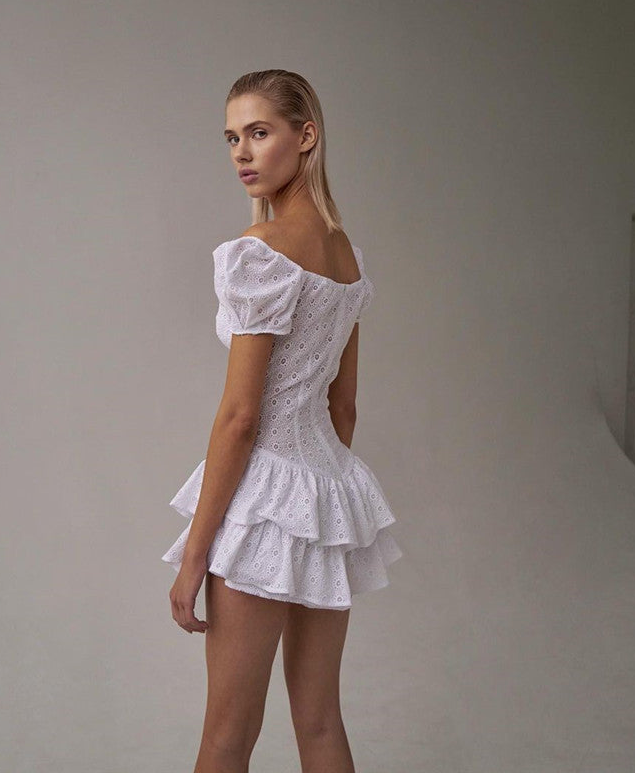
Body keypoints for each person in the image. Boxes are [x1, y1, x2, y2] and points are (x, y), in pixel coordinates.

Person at [160, 69, 402, 773]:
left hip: (263, 498)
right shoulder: (347, 256)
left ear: (306, 136)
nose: (242, 151)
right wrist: (318, 499)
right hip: (328, 494)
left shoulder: (259, 253)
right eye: (232, 137)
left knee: (226, 737)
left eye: (259, 132)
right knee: (320, 722)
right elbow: (343, 406)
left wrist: (196, 556)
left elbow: (241, 418)